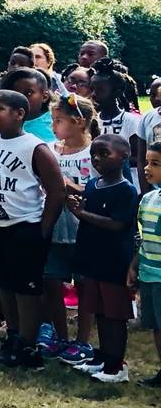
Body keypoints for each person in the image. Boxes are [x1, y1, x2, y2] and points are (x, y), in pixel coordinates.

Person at [0, 86, 63, 368]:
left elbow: (56, 190)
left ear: (19, 114)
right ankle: (12, 334)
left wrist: (43, 228)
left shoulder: (34, 147)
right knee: (3, 284)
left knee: (25, 289)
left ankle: (28, 343)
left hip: (23, 226)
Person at [68, 134, 137, 384]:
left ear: (124, 157)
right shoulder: (92, 185)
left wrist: (82, 213)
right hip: (91, 258)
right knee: (98, 310)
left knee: (114, 315)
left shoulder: (126, 190)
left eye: (104, 154)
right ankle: (103, 356)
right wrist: (79, 208)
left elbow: (117, 224)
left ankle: (116, 366)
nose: (97, 159)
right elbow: (87, 215)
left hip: (114, 262)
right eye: (93, 154)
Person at [43, 94, 98, 366]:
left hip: (83, 230)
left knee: (85, 285)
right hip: (55, 227)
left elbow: (99, 189)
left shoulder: (95, 153)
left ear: (78, 122)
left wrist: (67, 185)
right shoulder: (51, 151)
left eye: (59, 121)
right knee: (52, 282)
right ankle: (60, 335)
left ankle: (83, 340)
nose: (54, 126)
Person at [131, 149, 161, 388]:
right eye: (147, 162)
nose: (147, 168)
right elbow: (143, 238)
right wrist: (134, 266)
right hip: (149, 273)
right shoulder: (148, 199)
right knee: (155, 326)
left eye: (156, 164)